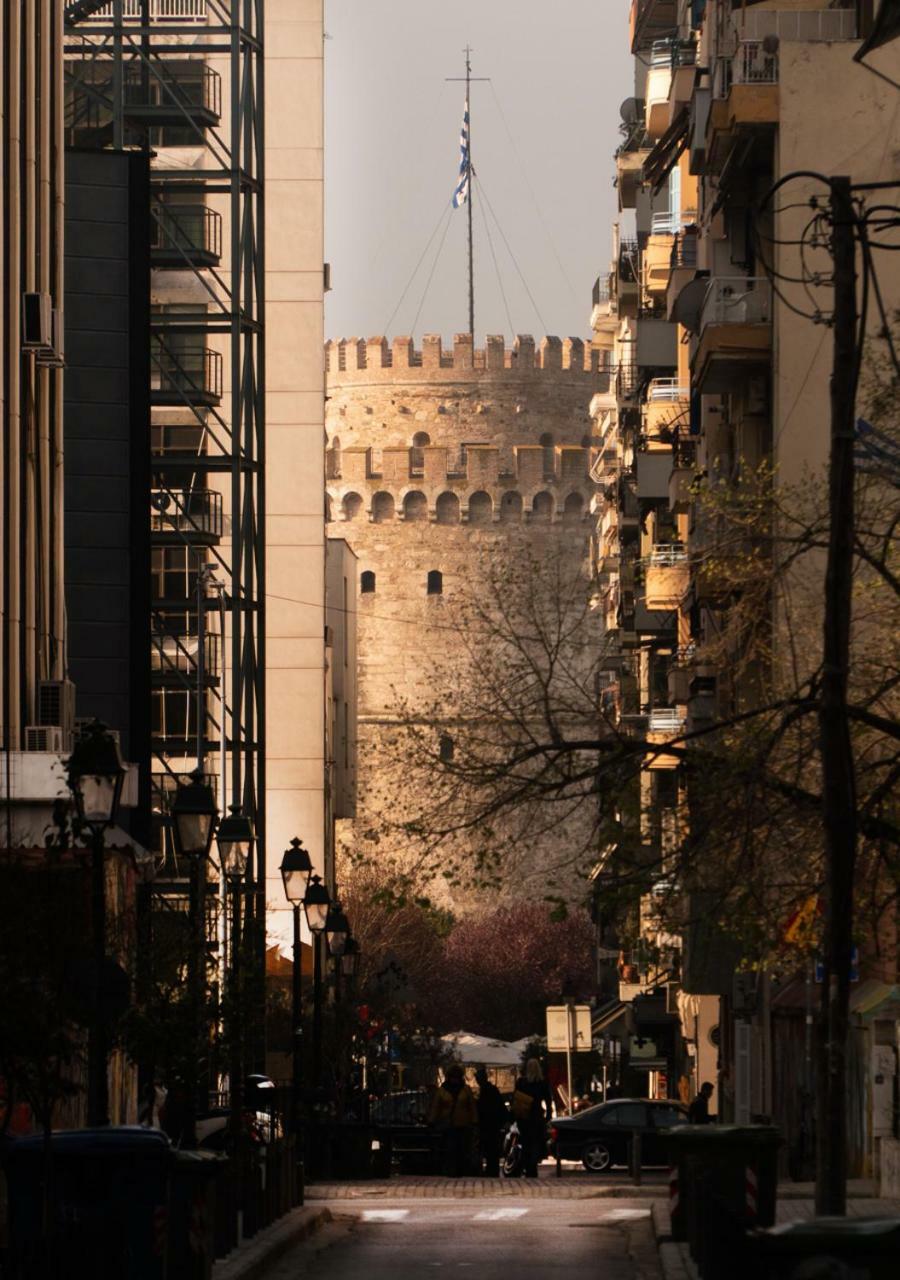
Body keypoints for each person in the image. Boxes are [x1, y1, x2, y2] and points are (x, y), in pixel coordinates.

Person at [429, 1064, 478, 1176]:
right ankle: (451, 1170)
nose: (455, 1080)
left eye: (457, 1077)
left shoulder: (466, 1090)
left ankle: (461, 1169)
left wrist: (474, 1121)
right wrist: (432, 1120)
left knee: (462, 1149)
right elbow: (436, 1107)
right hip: (448, 1125)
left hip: (463, 1125)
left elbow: (472, 1106)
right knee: (450, 1148)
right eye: (453, 1077)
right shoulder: (442, 1091)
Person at [513, 1058, 552, 1178]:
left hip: (524, 1117)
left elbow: (516, 1099)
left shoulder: (521, 1082)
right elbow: (548, 1100)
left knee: (525, 1143)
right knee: (535, 1143)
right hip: (536, 1117)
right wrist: (548, 1116)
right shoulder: (542, 1083)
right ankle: (532, 1167)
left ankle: (526, 1166)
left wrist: (514, 1116)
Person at [474, 1067, 507, 1177]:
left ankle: (490, 1171)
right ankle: (492, 1170)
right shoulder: (491, 1089)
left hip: (488, 1125)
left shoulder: (485, 1091)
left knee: (489, 1149)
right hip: (493, 1125)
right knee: (492, 1150)